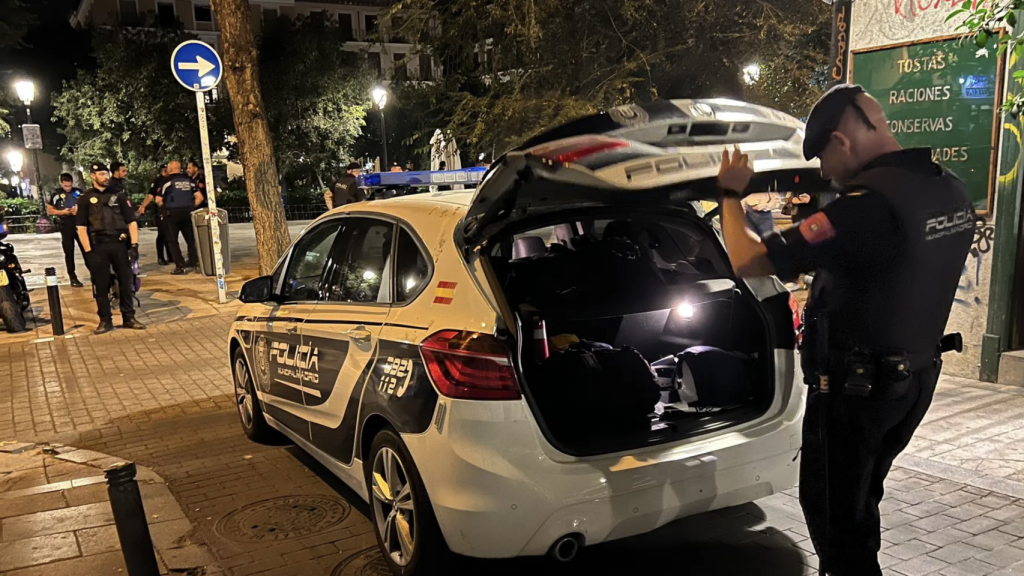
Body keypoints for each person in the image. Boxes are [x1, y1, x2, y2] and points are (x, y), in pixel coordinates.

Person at [714, 84, 974, 576]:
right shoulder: (949, 188)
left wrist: (729, 193)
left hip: (858, 391)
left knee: (836, 523)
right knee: (859, 505)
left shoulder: (865, 207)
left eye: (823, 159)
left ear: (842, 141)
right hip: (912, 383)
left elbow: (748, 260)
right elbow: (878, 263)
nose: (824, 173)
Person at [76, 162, 145, 334]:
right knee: (100, 285)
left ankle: (129, 317)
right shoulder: (85, 198)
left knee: (125, 282)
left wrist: (134, 245)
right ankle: (105, 320)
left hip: (119, 244)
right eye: (101, 174)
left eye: (106, 174)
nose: (105, 177)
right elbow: (81, 227)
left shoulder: (119, 196)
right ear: (93, 176)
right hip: (98, 246)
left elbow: (131, 221)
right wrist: (88, 252)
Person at [156, 161, 203, 275]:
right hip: (188, 212)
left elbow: (158, 199)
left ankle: (180, 266)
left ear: (170, 169)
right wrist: (192, 206)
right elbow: (199, 197)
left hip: (172, 214)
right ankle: (195, 262)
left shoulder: (167, 182)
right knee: (191, 239)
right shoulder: (189, 181)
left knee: (172, 240)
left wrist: (163, 207)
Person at [46, 173, 85, 288]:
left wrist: (78, 210)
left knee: (87, 249)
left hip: (79, 224)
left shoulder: (78, 192)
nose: (68, 187)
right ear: (61, 183)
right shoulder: (56, 194)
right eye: (65, 185)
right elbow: (50, 210)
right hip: (65, 224)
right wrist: (62, 212)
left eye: (69, 185)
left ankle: (95, 273)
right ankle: (72, 277)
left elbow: (86, 206)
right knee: (69, 252)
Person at [138, 164, 171, 265]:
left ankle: (171, 256)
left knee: (170, 234)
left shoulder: (172, 179)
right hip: (160, 210)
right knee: (162, 234)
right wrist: (143, 206)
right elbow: (150, 195)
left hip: (171, 209)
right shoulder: (158, 181)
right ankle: (160, 257)